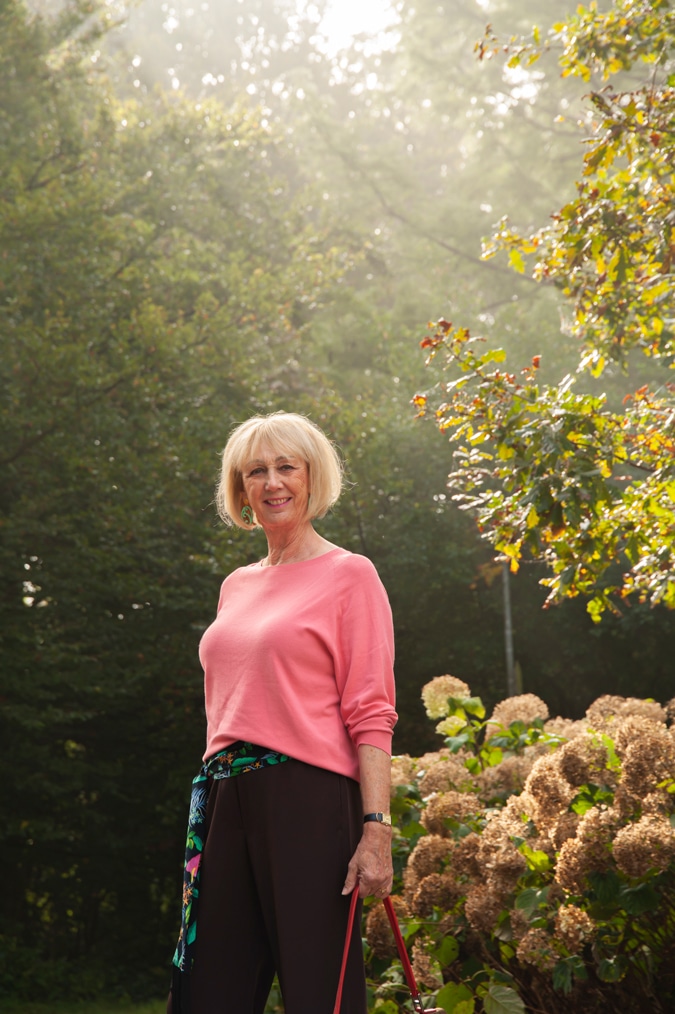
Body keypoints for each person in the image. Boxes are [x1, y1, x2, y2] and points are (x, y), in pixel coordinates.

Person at [167, 411, 397, 1014]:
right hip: (224, 796)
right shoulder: (236, 585)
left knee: (318, 993)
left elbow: (372, 711)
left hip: (309, 800)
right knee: (206, 993)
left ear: (312, 476)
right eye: (256, 471)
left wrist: (376, 829)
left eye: (286, 467)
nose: (272, 482)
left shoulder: (351, 575)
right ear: (240, 489)